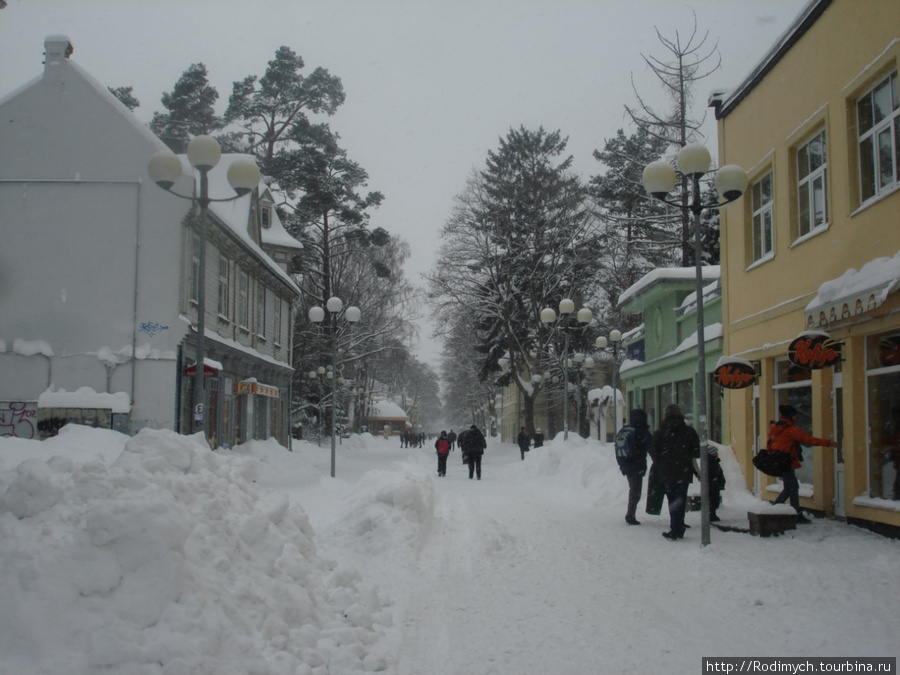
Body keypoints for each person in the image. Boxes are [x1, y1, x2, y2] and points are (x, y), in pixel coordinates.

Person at [769, 404, 838, 522]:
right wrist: (829, 443)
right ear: (791, 416)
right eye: (795, 416)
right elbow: (809, 440)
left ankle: (789, 512)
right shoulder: (790, 429)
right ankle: (783, 512)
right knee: (791, 487)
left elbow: (770, 444)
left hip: (780, 461)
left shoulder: (776, 428)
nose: (796, 418)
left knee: (791, 487)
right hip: (786, 462)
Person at [650, 404, 700, 541]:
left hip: (667, 472)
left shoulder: (660, 433)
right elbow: (697, 451)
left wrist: (662, 464)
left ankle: (675, 527)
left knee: (672, 499)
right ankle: (678, 526)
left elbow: (654, 453)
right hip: (684, 472)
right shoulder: (689, 432)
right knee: (680, 498)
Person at [615, 409, 652, 526]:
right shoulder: (641, 431)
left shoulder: (625, 430)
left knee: (633, 489)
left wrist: (623, 464)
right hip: (636, 463)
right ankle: (630, 515)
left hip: (625, 463)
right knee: (636, 491)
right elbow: (651, 447)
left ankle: (630, 513)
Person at [706, 446, 726, 522]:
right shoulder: (712, 462)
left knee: (713, 500)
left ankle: (712, 514)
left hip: (714, 484)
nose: (717, 454)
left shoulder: (712, 461)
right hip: (713, 484)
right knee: (713, 500)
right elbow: (715, 473)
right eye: (716, 452)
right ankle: (712, 515)